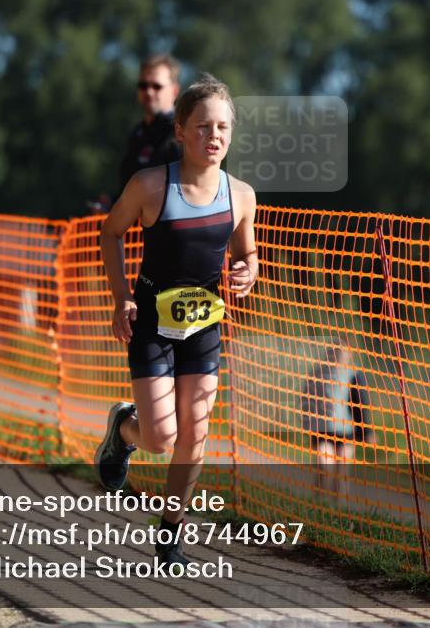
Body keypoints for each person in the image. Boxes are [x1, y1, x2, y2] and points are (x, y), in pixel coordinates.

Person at [97, 73, 257, 566]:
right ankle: (125, 428)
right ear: (181, 132)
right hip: (152, 320)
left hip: (204, 325)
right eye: (204, 126)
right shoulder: (149, 185)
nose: (215, 136)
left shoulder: (242, 195)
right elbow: (110, 233)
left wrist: (247, 271)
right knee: (161, 437)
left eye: (223, 128)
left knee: (196, 430)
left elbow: (248, 253)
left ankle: (171, 534)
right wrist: (122, 297)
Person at [301, 340, 374, 501]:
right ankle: (318, 502)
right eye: (335, 352)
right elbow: (307, 399)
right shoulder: (318, 373)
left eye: (342, 353)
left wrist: (366, 431)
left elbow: (360, 404)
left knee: (341, 473)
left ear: (348, 356)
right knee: (324, 465)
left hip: (346, 432)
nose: (338, 356)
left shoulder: (353, 375)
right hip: (323, 430)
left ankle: (339, 507)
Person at [117, 54, 183, 195]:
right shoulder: (137, 133)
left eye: (156, 86)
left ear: (174, 91)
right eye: (143, 85)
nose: (148, 91)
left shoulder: (182, 133)